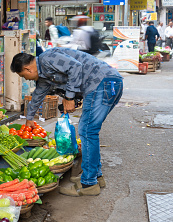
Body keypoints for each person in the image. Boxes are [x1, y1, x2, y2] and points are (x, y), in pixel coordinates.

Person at [10, 48, 123, 197]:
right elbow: (38, 94)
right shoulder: (44, 75)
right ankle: (96, 176)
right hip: (107, 83)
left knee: (87, 131)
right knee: (90, 131)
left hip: (102, 83)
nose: (26, 79)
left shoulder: (47, 58)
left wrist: (69, 98)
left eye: (23, 76)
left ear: (28, 69)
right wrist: (29, 118)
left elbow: (75, 67)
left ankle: (89, 184)